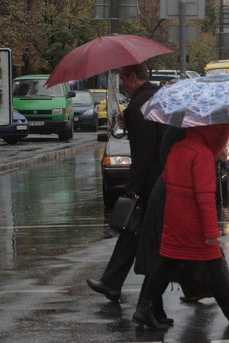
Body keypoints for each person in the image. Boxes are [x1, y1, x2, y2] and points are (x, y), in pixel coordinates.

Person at [132, 124, 229, 330]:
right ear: (216, 132)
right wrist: (211, 231)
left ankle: (145, 308)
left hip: (173, 216)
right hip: (192, 221)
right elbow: (204, 199)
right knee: (209, 260)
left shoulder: (179, 148)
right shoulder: (202, 154)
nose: (228, 136)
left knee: (167, 262)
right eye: (226, 132)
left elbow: (170, 181)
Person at [86, 63, 166, 302]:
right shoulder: (153, 99)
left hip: (153, 184)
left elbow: (143, 151)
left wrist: (133, 187)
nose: (121, 85)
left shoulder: (140, 104)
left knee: (169, 243)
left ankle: (210, 290)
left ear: (132, 77)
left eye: (122, 79)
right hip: (160, 180)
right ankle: (111, 283)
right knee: (133, 231)